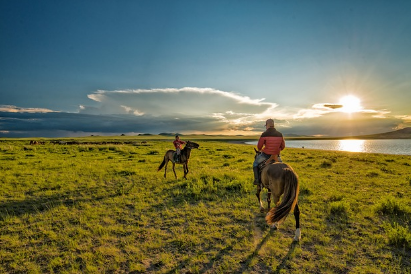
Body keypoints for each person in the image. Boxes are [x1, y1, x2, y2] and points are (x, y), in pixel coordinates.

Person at [253, 119, 285, 185]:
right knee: (283, 168)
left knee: (255, 164)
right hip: (276, 156)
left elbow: (259, 147)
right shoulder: (280, 134)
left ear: (267, 125)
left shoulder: (264, 134)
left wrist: (262, 149)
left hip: (265, 155)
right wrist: (276, 150)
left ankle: (257, 180)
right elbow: (283, 147)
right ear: (273, 125)